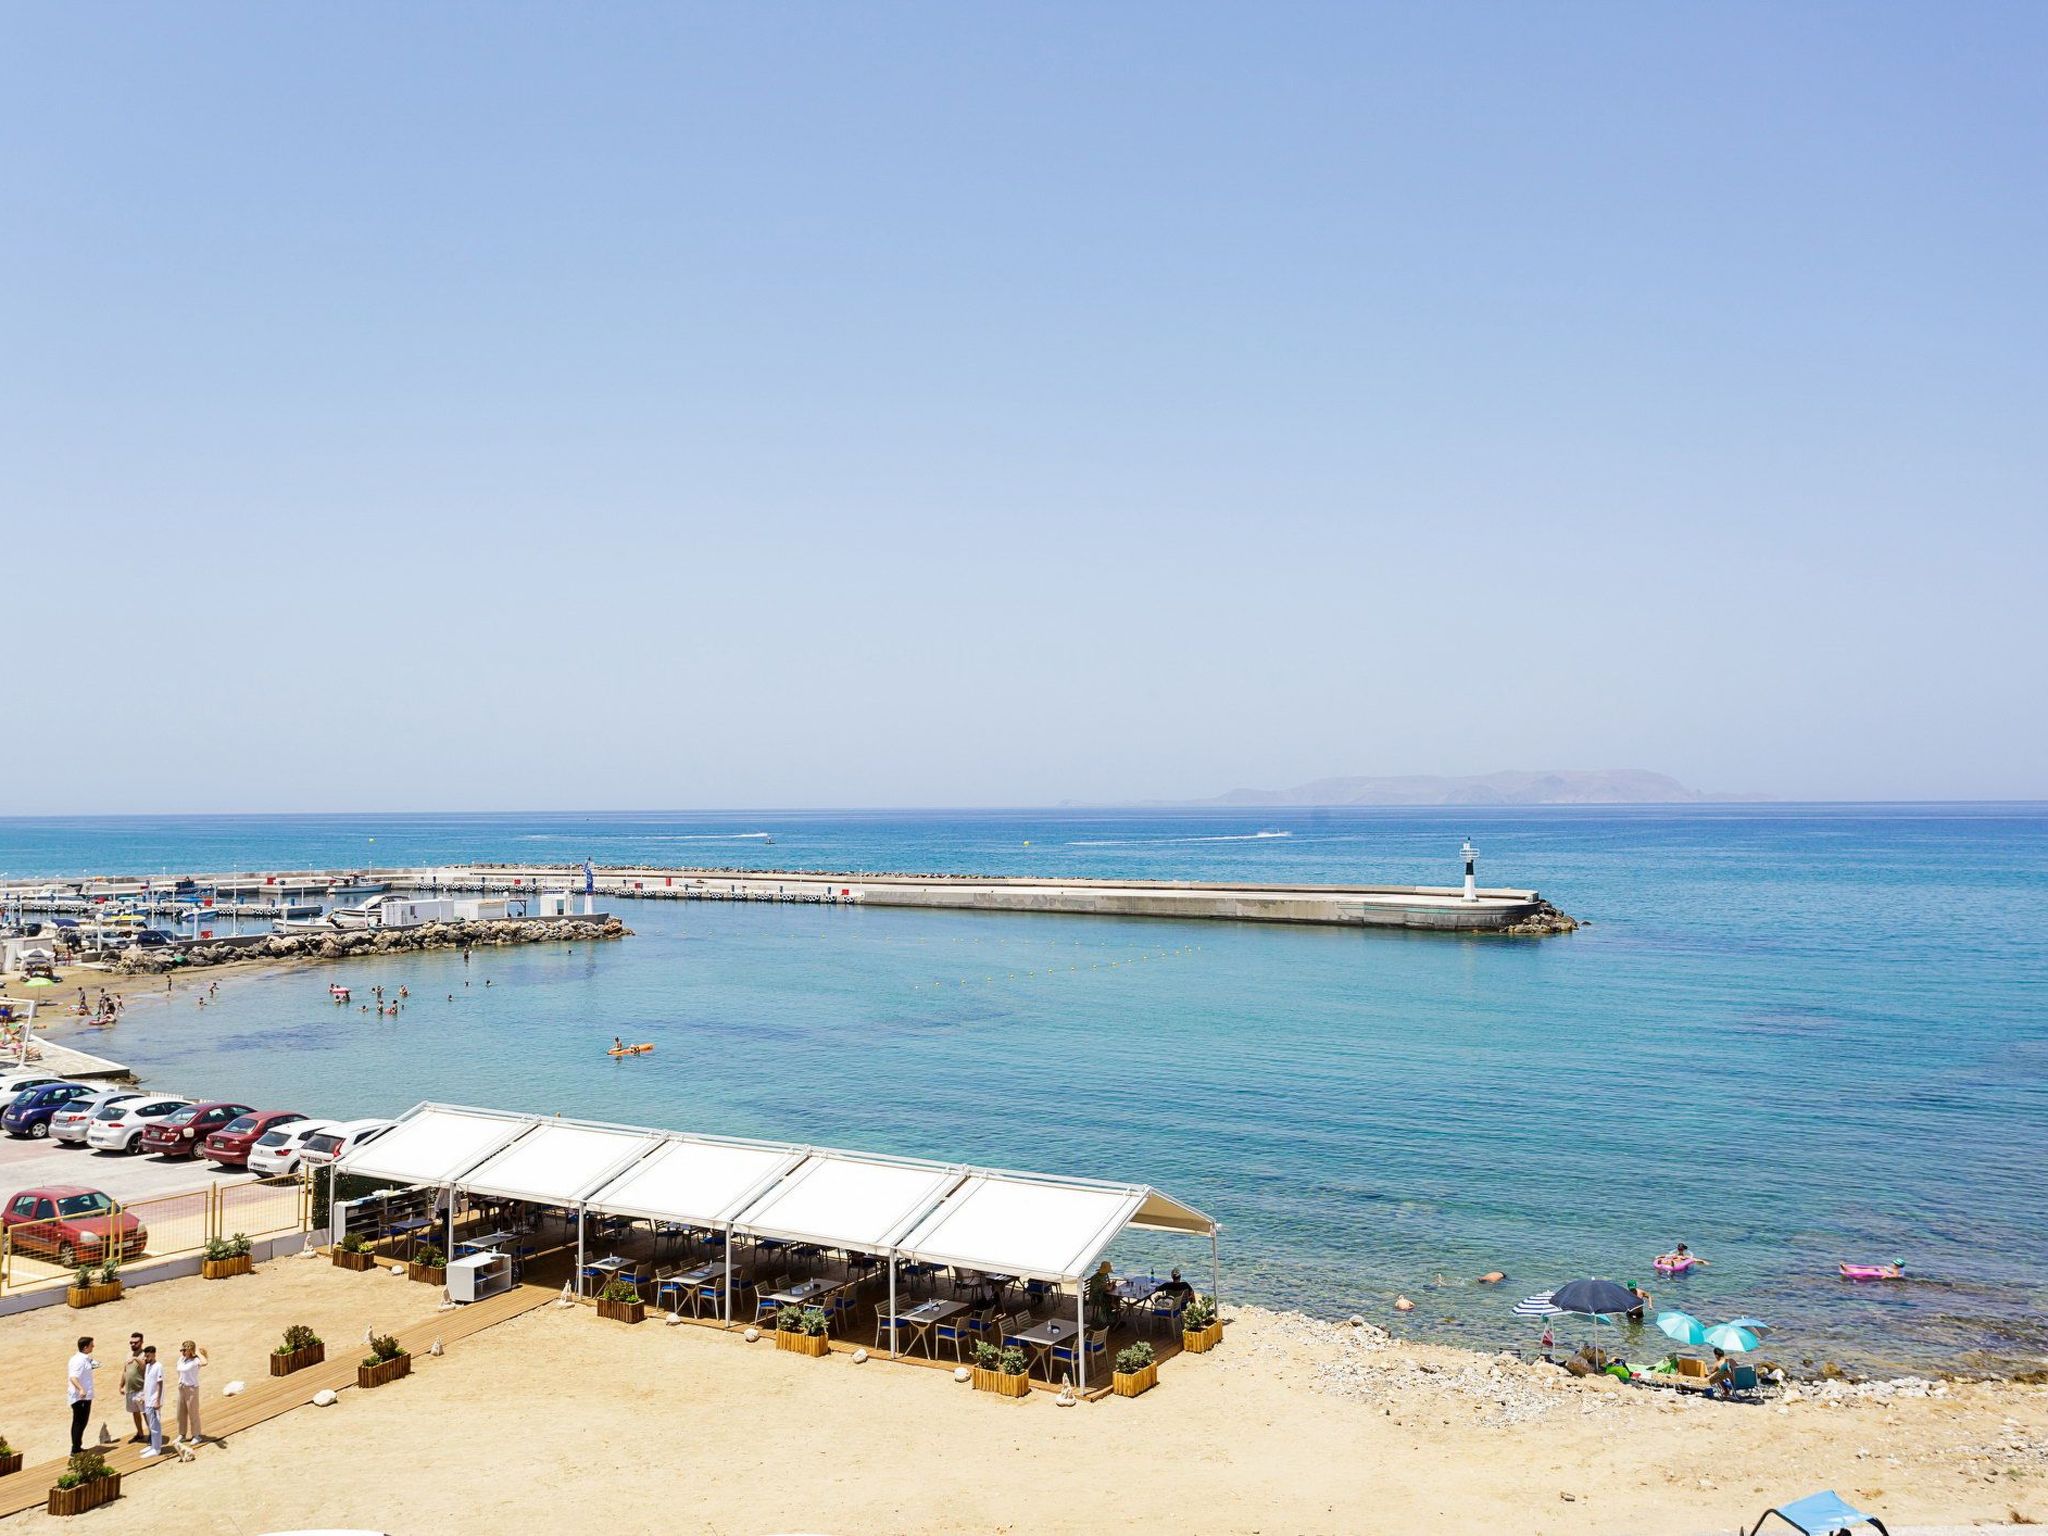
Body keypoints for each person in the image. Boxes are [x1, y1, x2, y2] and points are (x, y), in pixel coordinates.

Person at [66, 1335, 95, 1456]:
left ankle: (77, 1446)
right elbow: (73, 1377)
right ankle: (75, 1449)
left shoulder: (83, 1358)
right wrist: (81, 1389)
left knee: (81, 1421)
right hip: (80, 1397)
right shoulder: (79, 1360)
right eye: (91, 1345)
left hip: (84, 1396)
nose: (93, 1346)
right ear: (85, 1347)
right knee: (79, 1422)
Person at [175, 1339, 207, 1445]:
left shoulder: (195, 1361)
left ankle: (196, 1435)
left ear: (190, 1351)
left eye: (185, 1350)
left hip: (191, 1388)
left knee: (193, 1412)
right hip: (182, 1388)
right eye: (182, 1350)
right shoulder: (181, 1359)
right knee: (181, 1413)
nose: (183, 1352)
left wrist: (197, 1352)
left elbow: (205, 1362)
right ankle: (182, 1434)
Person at [138, 1345, 165, 1458]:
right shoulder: (148, 1366)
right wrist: (144, 1395)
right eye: (145, 1356)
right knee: (151, 1424)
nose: (146, 1358)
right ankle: (153, 1445)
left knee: (155, 1425)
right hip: (148, 1400)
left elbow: (160, 1384)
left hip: (154, 1401)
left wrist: (157, 1400)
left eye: (148, 1355)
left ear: (153, 1354)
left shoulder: (158, 1366)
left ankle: (157, 1448)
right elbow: (148, 1383)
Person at [122, 1331, 146, 1441]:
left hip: (141, 1389)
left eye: (135, 1343)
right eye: (131, 1343)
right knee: (135, 1412)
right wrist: (121, 1385)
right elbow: (125, 1371)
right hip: (130, 1389)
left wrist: (136, 1359)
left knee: (146, 1413)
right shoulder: (128, 1354)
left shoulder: (145, 1354)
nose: (133, 1345)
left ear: (141, 1342)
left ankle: (152, 1435)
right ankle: (140, 1433)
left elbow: (145, 1367)